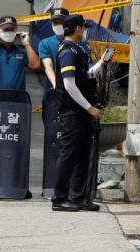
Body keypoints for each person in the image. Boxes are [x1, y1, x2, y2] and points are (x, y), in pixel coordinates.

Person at [52, 14, 104, 212]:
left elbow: (85, 76)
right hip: (72, 111)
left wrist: (102, 64)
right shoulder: (67, 51)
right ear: (77, 29)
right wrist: (89, 108)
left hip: (80, 111)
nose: (85, 31)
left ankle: (78, 197)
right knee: (68, 154)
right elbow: (69, 84)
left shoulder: (77, 50)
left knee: (82, 155)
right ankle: (59, 198)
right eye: (83, 27)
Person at [38, 8, 90, 89]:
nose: (58, 25)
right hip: (54, 94)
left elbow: (88, 66)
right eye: (55, 23)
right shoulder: (45, 44)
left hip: (80, 89)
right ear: (51, 24)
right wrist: (56, 85)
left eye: (61, 22)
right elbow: (48, 66)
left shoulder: (82, 43)